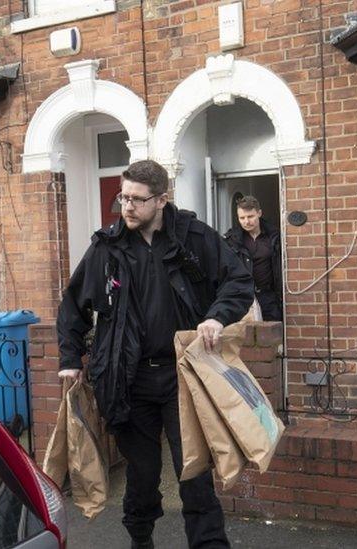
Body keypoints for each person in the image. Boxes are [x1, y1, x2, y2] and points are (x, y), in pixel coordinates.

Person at [57, 159, 253, 549]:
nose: (127, 207)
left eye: (136, 200)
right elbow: (73, 307)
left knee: (194, 474)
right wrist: (69, 359)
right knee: (142, 476)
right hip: (128, 379)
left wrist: (217, 316)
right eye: (122, 198)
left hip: (183, 377)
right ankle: (140, 540)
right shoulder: (106, 248)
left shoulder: (195, 238)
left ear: (161, 200)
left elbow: (239, 281)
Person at [223, 196, 283, 321]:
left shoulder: (275, 236)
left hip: (268, 297)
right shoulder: (231, 240)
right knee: (246, 338)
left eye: (250, 216)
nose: (246, 222)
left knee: (272, 336)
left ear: (259, 213)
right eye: (242, 218)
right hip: (242, 297)